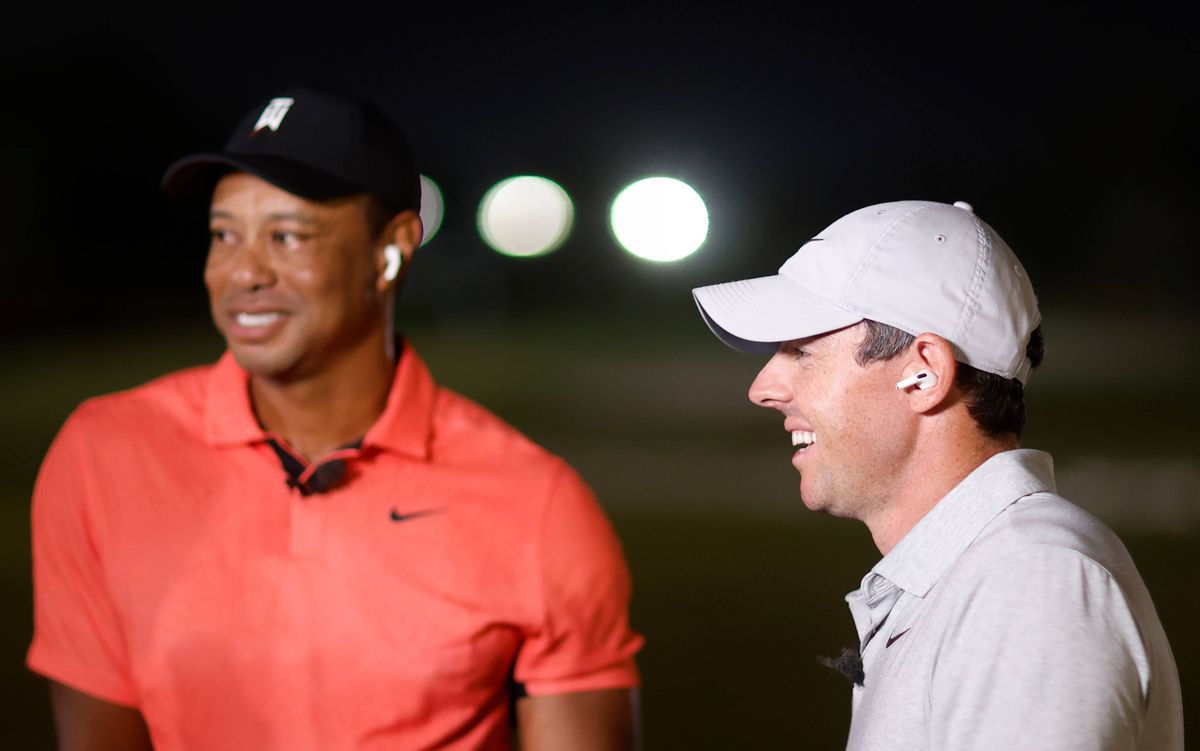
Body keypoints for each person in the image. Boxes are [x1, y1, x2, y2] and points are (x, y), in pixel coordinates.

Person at [27, 85, 643, 750]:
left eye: (288, 236)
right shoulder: (104, 453)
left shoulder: (537, 503)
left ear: (392, 250)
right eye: (224, 234)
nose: (243, 272)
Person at [691, 199, 1183, 749]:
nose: (763, 388)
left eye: (801, 351)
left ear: (924, 374)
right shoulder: (990, 572)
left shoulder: (1030, 584)